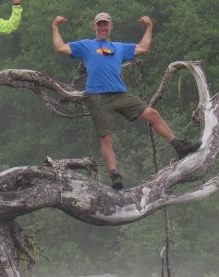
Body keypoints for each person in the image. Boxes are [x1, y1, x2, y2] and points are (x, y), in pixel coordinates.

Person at [52, 11, 200, 191]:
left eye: (105, 24)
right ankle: (115, 176)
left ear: (111, 26)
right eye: (99, 24)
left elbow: (143, 48)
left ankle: (179, 146)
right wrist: (55, 27)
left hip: (119, 94)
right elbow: (60, 47)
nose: (102, 27)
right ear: (94, 27)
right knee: (106, 138)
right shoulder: (87, 45)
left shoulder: (119, 47)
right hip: (98, 97)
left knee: (152, 114)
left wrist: (149, 27)